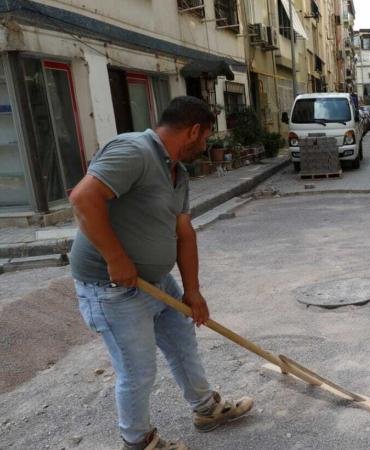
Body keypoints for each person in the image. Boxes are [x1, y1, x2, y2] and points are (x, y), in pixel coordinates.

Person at [69, 97, 253, 450]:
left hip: (155, 283)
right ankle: (139, 442)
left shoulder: (177, 172)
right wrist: (115, 258)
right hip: (112, 288)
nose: (205, 147)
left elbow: (184, 232)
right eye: (205, 139)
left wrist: (193, 291)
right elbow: (82, 199)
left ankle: (206, 410)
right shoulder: (134, 151)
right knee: (137, 372)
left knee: (182, 344)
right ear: (194, 130)